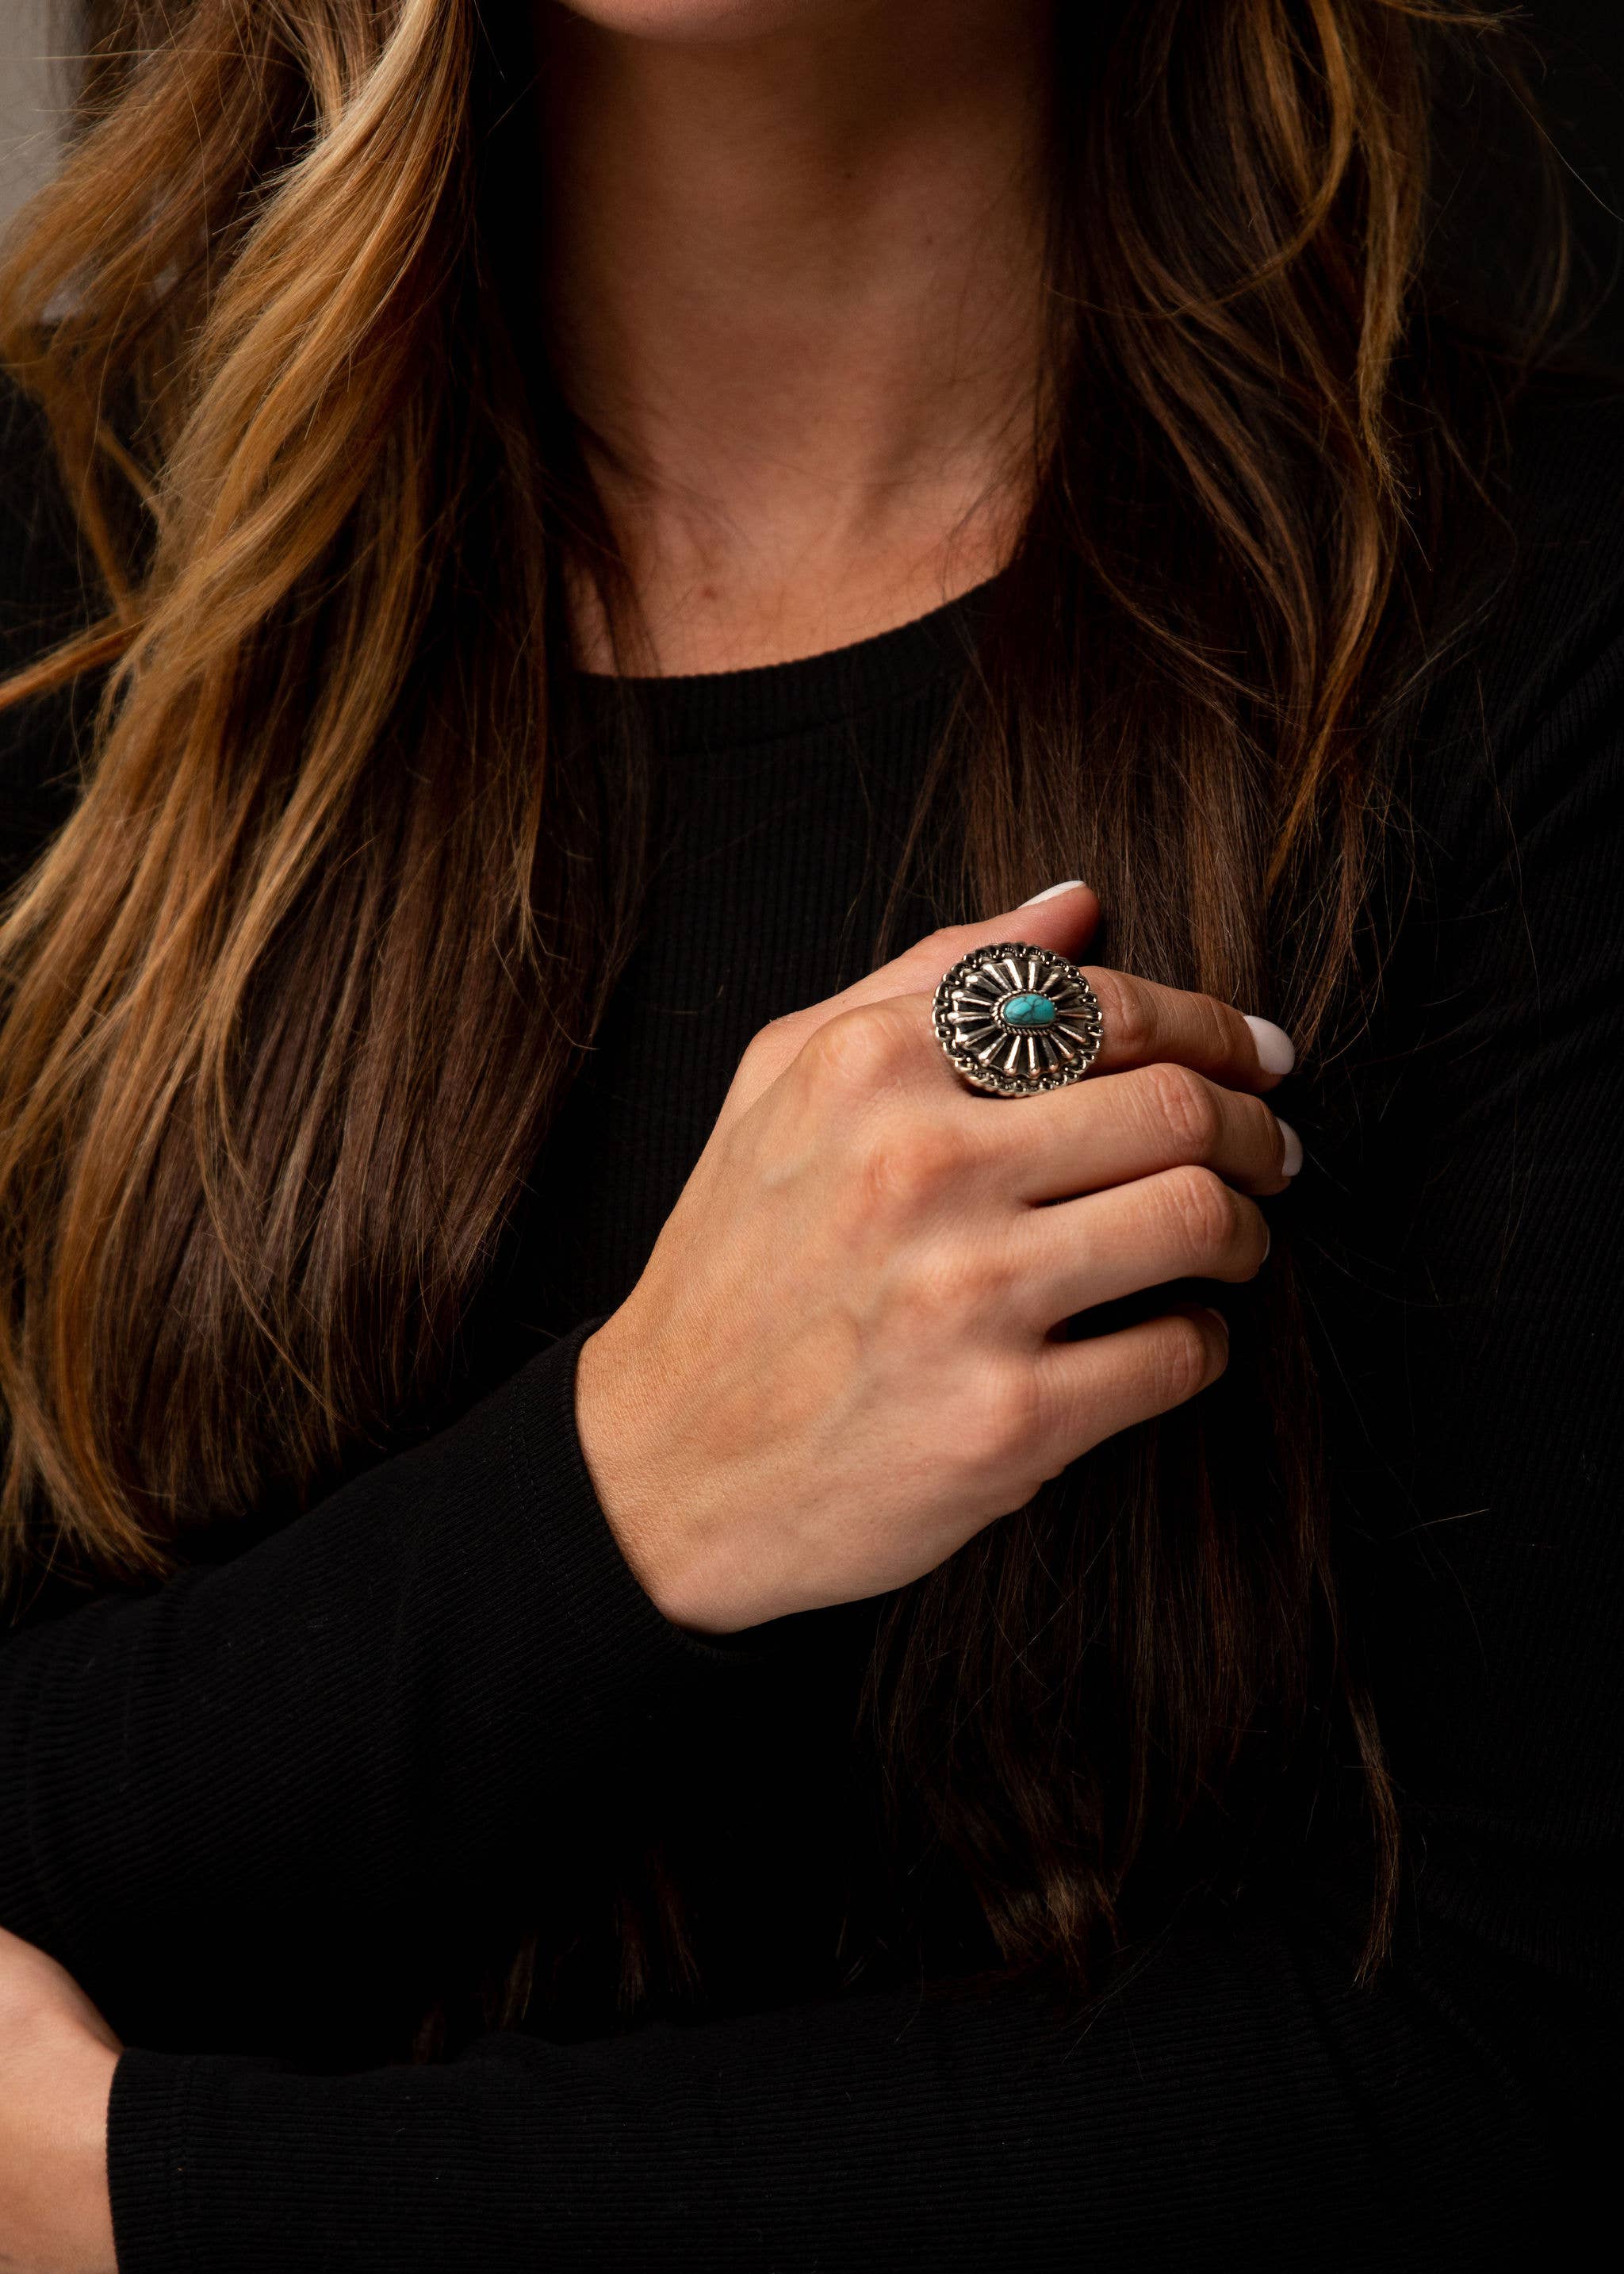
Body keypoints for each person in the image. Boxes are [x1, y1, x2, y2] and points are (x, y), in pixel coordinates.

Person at [0, 0, 1618, 2266]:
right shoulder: (61, 583)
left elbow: (1510, 2079)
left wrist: (165, 2195)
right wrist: (628, 1496)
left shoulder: (1525, 641)